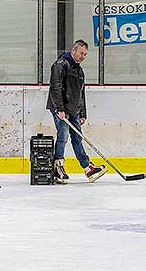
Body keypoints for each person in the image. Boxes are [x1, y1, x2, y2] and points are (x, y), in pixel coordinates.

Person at [46, 39, 107, 184]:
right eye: (81, 53)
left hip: (74, 110)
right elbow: (55, 87)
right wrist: (59, 108)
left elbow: (81, 92)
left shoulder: (79, 70)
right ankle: (57, 167)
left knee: (78, 138)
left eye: (85, 54)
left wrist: (83, 112)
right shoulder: (60, 65)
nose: (82, 57)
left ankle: (87, 168)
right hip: (60, 108)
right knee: (63, 136)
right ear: (73, 50)